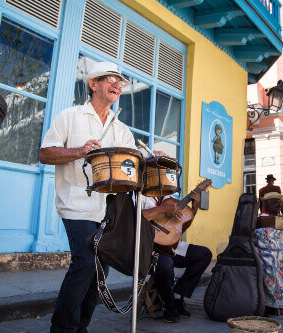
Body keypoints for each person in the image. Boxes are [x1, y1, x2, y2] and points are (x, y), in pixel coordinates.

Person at [39, 61, 137, 332]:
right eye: (111, 79)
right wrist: (80, 151)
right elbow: (45, 153)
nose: (118, 84)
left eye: (121, 82)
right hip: (76, 203)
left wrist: (152, 160)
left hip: (108, 209)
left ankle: (80, 327)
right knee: (84, 262)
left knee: (101, 272)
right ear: (93, 84)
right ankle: (62, 328)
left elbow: (133, 162)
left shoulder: (121, 128)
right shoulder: (70, 116)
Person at [142, 193, 212, 323]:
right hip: (147, 247)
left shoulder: (170, 198)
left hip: (171, 245)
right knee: (165, 263)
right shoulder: (141, 196)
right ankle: (170, 306)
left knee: (204, 254)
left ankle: (178, 294)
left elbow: (182, 224)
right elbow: (135, 217)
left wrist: (195, 207)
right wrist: (162, 209)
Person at [255, 192, 283, 315]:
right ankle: (276, 303)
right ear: (266, 204)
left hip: (281, 254)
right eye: (274, 202)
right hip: (268, 254)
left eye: (279, 202)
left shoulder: (279, 217)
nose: (278, 204)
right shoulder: (264, 217)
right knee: (272, 267)